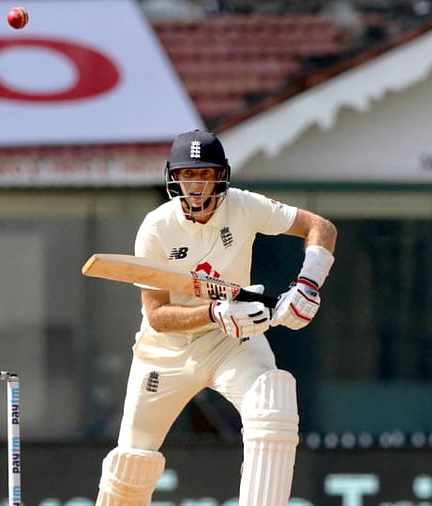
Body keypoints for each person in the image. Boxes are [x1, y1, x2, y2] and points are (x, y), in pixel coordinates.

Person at [96, 129, 337, 506]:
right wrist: (214, 312)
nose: (195, 185)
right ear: (173, 178)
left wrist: (307, 285)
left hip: (233, 342)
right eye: (187, 175)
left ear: (220, 176)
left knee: (273, 403)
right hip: (166, 351)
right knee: (132, 463)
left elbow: (319, 227)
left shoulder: (242, 206)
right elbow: (157, 316)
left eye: (204, 174)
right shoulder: (156, 228)